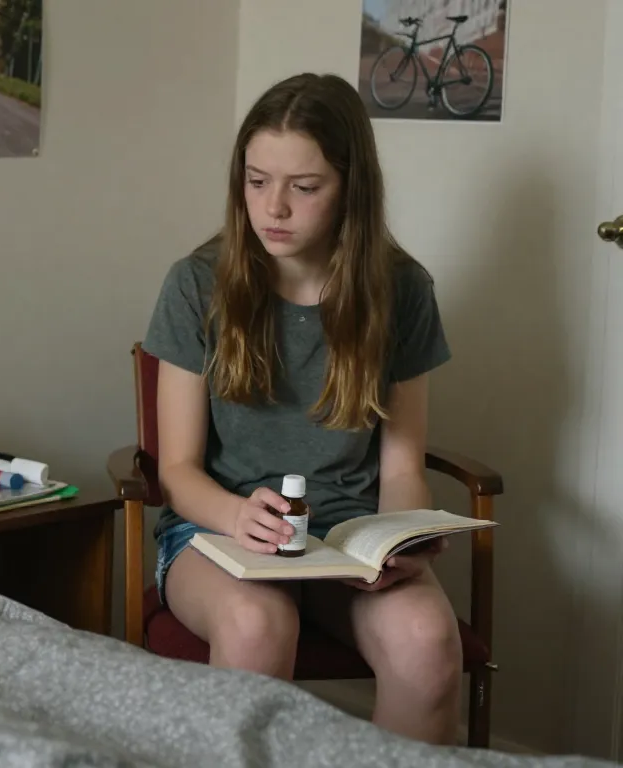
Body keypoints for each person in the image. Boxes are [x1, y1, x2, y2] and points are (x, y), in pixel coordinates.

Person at [144, 73, 461, 746]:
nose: (274, 207)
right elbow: (177, 471)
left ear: (351, 189)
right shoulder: (196, 283)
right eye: (257, 181)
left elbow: (402, 469)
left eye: (305, 187)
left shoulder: (402, 290)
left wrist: (401, 537)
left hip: (346, 539)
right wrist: (238, 515)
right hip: (215, 532)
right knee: (258, 625)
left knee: (428, 642)